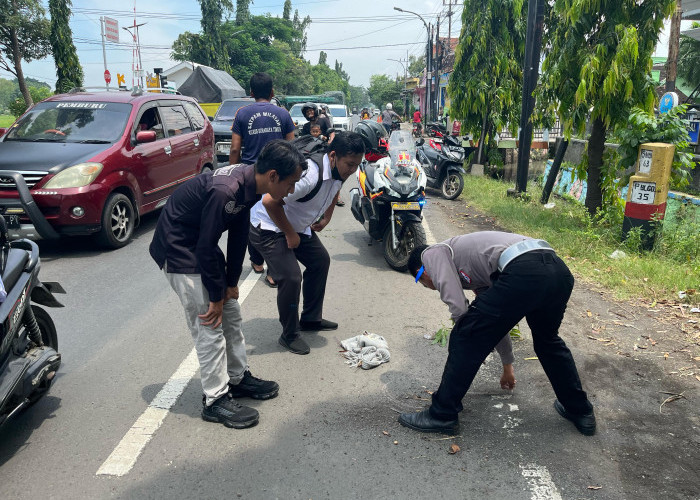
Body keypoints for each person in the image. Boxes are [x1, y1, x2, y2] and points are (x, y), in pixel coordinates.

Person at [149, 141, 307, 429]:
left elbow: (237, 234)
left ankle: (237, 378)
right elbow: (207, 245)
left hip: (201, 248)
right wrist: (215, 296)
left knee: (231, 317)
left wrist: (231, 283)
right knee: (210, 325)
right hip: (180, 251)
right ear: (273, 175)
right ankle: (215, 400)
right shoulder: (227, 190)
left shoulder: (250, 186)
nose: (292, 191)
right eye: (291, 183)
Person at [400, 232, 596, 436]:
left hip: (524, 268)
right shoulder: (482, 274)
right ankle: (581, 411)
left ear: (421, 273)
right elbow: (497, 323)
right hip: (557, 271)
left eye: (426, 284)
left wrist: (469, 348)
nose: (433, 286)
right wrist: (507, 366)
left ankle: (441, 415)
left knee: (465, 334)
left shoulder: (431, 254)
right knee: (548, 341)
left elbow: (459, 309)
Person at [248, 132, 366, 355]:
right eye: (350, 164)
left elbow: (336, 187)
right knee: (291, 277)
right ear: (333, 156)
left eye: (356, 165)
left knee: (320, 261)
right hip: (268, 225)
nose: (352, 170)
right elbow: (269, 202)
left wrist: (327, 216)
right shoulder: (309, 176)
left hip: (297, 226)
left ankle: (311, 319)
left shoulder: (340, 168)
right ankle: (289, 334)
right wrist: (291, 234)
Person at [229, 72, 295, 288]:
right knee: (272, 220)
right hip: (276, 178)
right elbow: (292, 147)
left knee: (250, 218)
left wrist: (233, 173)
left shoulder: (242, 113)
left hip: (250, 176)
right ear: (272, 92)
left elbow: (235, 148)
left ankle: (257, 262)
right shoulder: (283, 114)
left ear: (251, 93)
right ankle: (273, 270)